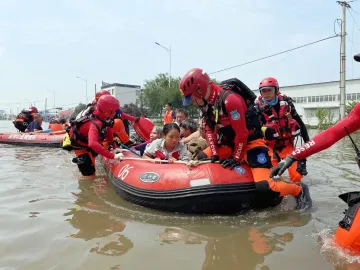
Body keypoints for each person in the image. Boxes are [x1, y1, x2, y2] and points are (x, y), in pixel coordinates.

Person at [179, 68, 312, 210]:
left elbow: (242, 134)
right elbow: (210, 129)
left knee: (265, 186)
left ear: (200, 90)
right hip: (229, 144)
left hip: (250, 144)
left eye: (191, 97)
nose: (192, 101)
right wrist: (215, 153)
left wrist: (236, 159)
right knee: (200, 156)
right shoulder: (206, 103)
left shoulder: (230, 100)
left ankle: (299, 190)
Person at [256, 77, 309, 182]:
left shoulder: (287, 104)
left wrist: (308, 146)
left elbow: (301, 124)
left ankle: (297, 191)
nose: (266, 93)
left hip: (287, 145)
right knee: (274, 178)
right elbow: (253, 131)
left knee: (297, 176)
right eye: (263, 91)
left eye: (269, 90)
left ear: (276, 90)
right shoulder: (257, 108)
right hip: (270, 147)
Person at [65, 95, 124, 177]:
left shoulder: (102, 116)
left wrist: (114, 146)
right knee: (90, 175)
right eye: (114, 111)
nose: (115, 113)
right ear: (109, 111)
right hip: (80, 145)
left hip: (86, 140)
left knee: (93, 158)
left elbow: (107, 130)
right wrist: (113, 156)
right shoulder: (95, 122)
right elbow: (92, 143)